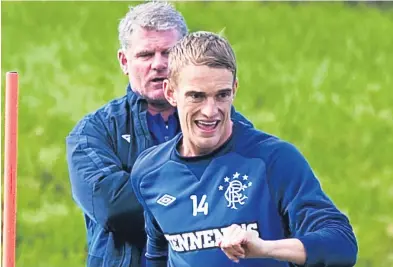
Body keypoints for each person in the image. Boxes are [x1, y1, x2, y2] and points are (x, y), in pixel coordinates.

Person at [131, 31, 358, 267]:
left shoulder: (273, 160)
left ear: (235, 89)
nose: (210, 111)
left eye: (222, 95)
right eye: (196, 96)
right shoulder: (149, 172)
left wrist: (266, 248)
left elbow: (342, 244)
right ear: (171, 93)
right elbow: (158, 253)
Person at [66, 2, 251, 267]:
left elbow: (252, 198)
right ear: (124, 61)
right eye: (145, 55)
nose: (159, 64)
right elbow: (114, 209)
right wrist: (205, 194)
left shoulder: (227, 122)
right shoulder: (93, 133)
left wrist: (156, 192)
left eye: (168, 53)